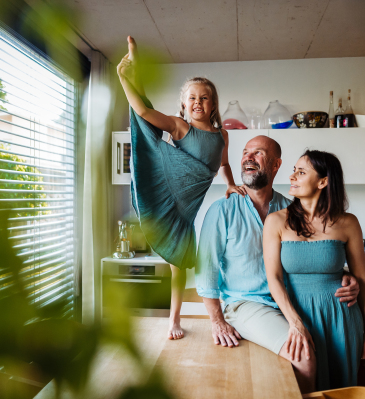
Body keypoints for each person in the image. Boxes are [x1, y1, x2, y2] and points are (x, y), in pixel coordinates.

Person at [195, 136, 360, 393]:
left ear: (276, 165)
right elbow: (206, 272)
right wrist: (217, 320)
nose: (248, 157)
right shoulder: (222, 210)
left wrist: (347, 274)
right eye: (245, 152)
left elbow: (313, 252)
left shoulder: (290, 208)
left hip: (289, 303)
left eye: (258, 153)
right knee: (304, 357)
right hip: (248, 304)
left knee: (331, 354)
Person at [117, 37, 245, 340]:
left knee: (179, 268)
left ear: (213, 104)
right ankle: (173, 321)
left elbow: (223, 163)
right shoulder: (178, 126)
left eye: (204, 98)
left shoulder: (222, 136)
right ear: (184, 105)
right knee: (175, 265)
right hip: (167, 197)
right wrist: (123, 78)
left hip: (187, 212)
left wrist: (229, 184)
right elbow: (144, 113)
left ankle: (181, 319)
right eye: (192, 98)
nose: (198, 102)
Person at [263, 150, 365, 392]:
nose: (292, 176)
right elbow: (273, 278)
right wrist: (295, 323)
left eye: (301, 172)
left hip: (341, 318)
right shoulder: (276, 221)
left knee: (343, 389)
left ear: (323, 182)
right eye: (294, 170)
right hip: (295, 315)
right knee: (299, 388)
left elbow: (362, 279)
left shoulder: (348, 222)